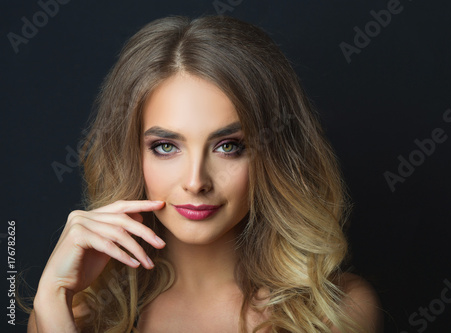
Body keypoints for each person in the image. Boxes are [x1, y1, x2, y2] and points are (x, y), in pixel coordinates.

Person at [27, 15, 382, 332]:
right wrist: (51, 303)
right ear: (133, 155)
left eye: (229, 146)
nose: (196, 182)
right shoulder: (74, 313)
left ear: (273, 155)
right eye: (166, 146)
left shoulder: (333, 311)